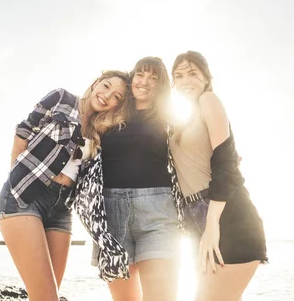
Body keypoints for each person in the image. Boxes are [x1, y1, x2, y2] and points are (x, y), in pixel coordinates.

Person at [0, 70, 131, 301]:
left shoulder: (102, 130)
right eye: (106, 86)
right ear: (96, 82)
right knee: (47, 298)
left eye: (117, 96)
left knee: (48, 296)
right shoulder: (61, 99)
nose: (107, 96)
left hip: (61, 208)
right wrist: (17, 180)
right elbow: (23, 131)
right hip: (26, 195)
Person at [80, 57, 185, 300]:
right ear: (132, 77)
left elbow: (193, 146)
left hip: (157, 213)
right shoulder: (110, 112)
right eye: (140, 74)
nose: (145, 82)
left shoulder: (169, 119)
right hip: (111, 214)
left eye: (154, 78)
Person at [169, 51, 267, 301]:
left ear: (205, 77)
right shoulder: (181, 121)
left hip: (226, 216)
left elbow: (226, 162)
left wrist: (212, 225)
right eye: (178, 76)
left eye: (192, 73)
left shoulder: (208, 100)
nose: (185, 80)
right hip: (195, 218)